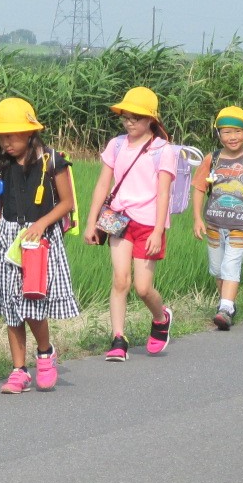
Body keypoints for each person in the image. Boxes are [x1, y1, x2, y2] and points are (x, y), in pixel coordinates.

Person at [0, 98, 79, 393]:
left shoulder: (52, 161)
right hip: (10, 239)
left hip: (40, 240)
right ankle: (19, 370)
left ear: (29, 132)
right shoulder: (0, 161)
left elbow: (67, 203)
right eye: (0, 136)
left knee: (33, 302)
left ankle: (45, 354)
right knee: (11, 305)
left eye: (10, 136)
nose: (5, 143)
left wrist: (40, 224)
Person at [83, 87, 175, 361]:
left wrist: (158, 230)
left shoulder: (163, 150)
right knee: (120, 280)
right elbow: (103, 184)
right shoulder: (117, 144)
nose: (130, 122)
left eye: (136, 117)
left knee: (143, 288)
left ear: (151, 120)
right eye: (126, 116)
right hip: (119, 219)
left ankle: (161, 317)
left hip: (148, 224)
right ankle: (118, 338)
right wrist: (91, 222)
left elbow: (163, 193)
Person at [191, 106, 243, 330]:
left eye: (237, 131)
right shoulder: (212, 159)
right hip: (214, 225)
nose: (232, 137)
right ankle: (227, 304)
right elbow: (198, 188)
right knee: (217, 270)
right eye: (226, 132)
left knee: (231, 266)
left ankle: (225, 308)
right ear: (218, 134)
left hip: (240, 225)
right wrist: (197, 218)